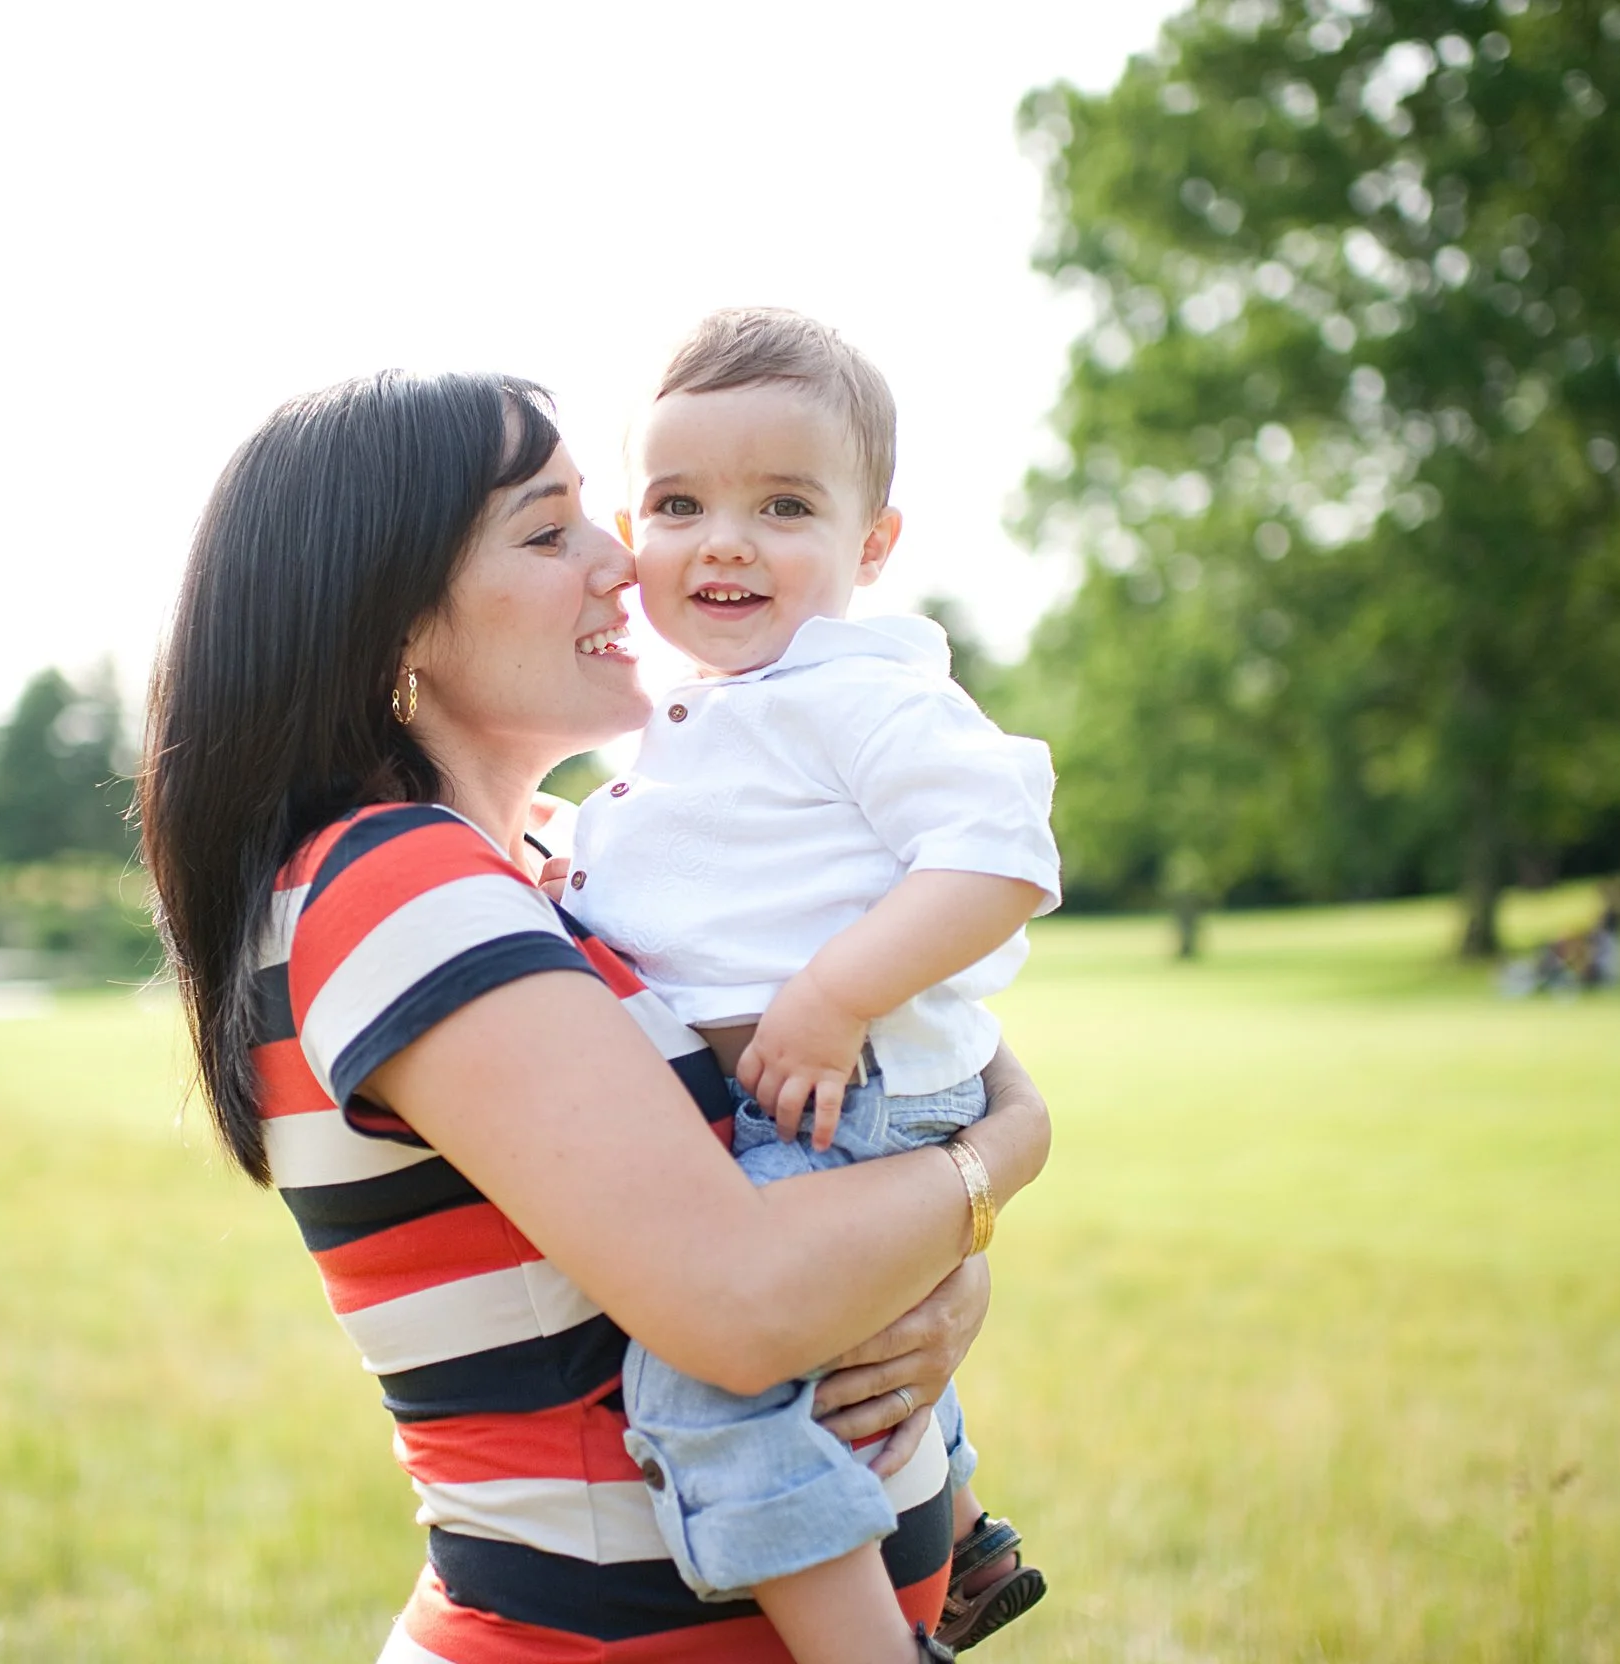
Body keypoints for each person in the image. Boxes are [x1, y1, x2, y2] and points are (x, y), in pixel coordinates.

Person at [136, 370, 1055, 1664]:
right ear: (393, 616)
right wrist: (989, 1171)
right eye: (548, 528)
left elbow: (906, 1044)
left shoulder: (561, 867)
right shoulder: (399, 886)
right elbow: (739, 1303)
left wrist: (939, 1265)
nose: (626, 561)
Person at [566, 310, 1055, 1654]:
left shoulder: (857, 694)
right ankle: (957, 1534)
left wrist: (835, 996)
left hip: (845, 1103)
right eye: (679, 504)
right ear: (633, 530)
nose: (723, 539)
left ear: (873, 545)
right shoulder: (712, 715)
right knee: (858, 1336)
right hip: (812, 1109)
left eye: (783, 504)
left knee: (708, 1375)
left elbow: (1003, 856)